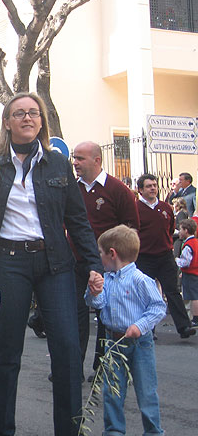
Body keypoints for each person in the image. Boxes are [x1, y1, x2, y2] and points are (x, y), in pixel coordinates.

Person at [0, 92, 102, 436]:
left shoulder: (57, 163)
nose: (27, 118)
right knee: (8, 350)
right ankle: (0, 430)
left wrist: (95, 264)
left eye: (34, 113)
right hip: (8, 263)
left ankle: (69, 431)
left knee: (68, 350)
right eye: (19, 113)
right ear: (7, 122)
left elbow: (78, 220)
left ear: (42, 121)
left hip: (55, 263)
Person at [85, 225, 166, 436]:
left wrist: (139, 326)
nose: (99, 257)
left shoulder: (140, 280)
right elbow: (98, 303)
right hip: (113, 342)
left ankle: (153, 431)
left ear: (112, 253)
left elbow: (158, 307)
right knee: (112, 391)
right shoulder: (107, 278)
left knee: (146, 391)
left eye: (101, 253)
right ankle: (114, 430)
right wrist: (94, 292)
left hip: (140, 343)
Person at [71, 141, 140, 381]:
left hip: (107, 266)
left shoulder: (118, 190)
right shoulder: (71, 188)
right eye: (74, 158)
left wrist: (117, 258)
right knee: (75, 314)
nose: (75, 163)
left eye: (80, 158)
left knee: (106, 316)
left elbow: (131, 228)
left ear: (97, 160)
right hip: (75, 261)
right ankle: (73, 367)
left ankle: (103, 367)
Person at [135, 174, 196, 339]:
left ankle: (184, 327)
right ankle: (148, 329)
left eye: (154, 185)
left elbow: (170, 230)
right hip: (144, 257)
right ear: (140, 190)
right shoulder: (135, 209)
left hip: (164, 256)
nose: (153, 188)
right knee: (146, 294)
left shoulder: (165, 207)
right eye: (148, 186)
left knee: (172, 291)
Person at [175, 218, 198, 327]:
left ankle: (195, 318)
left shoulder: (188, 245)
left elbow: (186, 262)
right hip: (195, 272)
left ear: (186, 230)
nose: (179, 232)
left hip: (191, 273)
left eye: (181, 229)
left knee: (193, 296)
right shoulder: (196, 242)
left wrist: (176, 260)